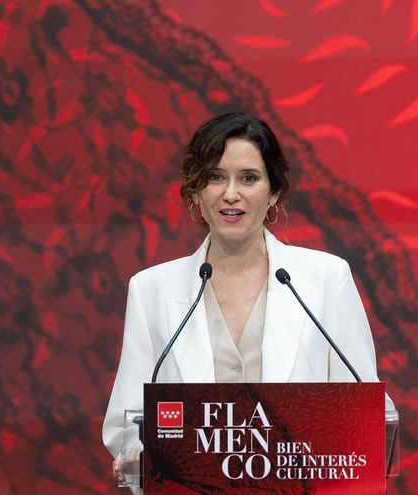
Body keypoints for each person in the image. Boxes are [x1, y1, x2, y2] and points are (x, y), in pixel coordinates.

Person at [102, 112, 395, 477]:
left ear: (273, 193)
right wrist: (141, 459)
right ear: (195, 191)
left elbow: (365, 410)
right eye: (215, 177)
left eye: (249, 178)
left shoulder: (325, 280)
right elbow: (127, 423)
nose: (230, 194)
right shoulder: (151, 290)